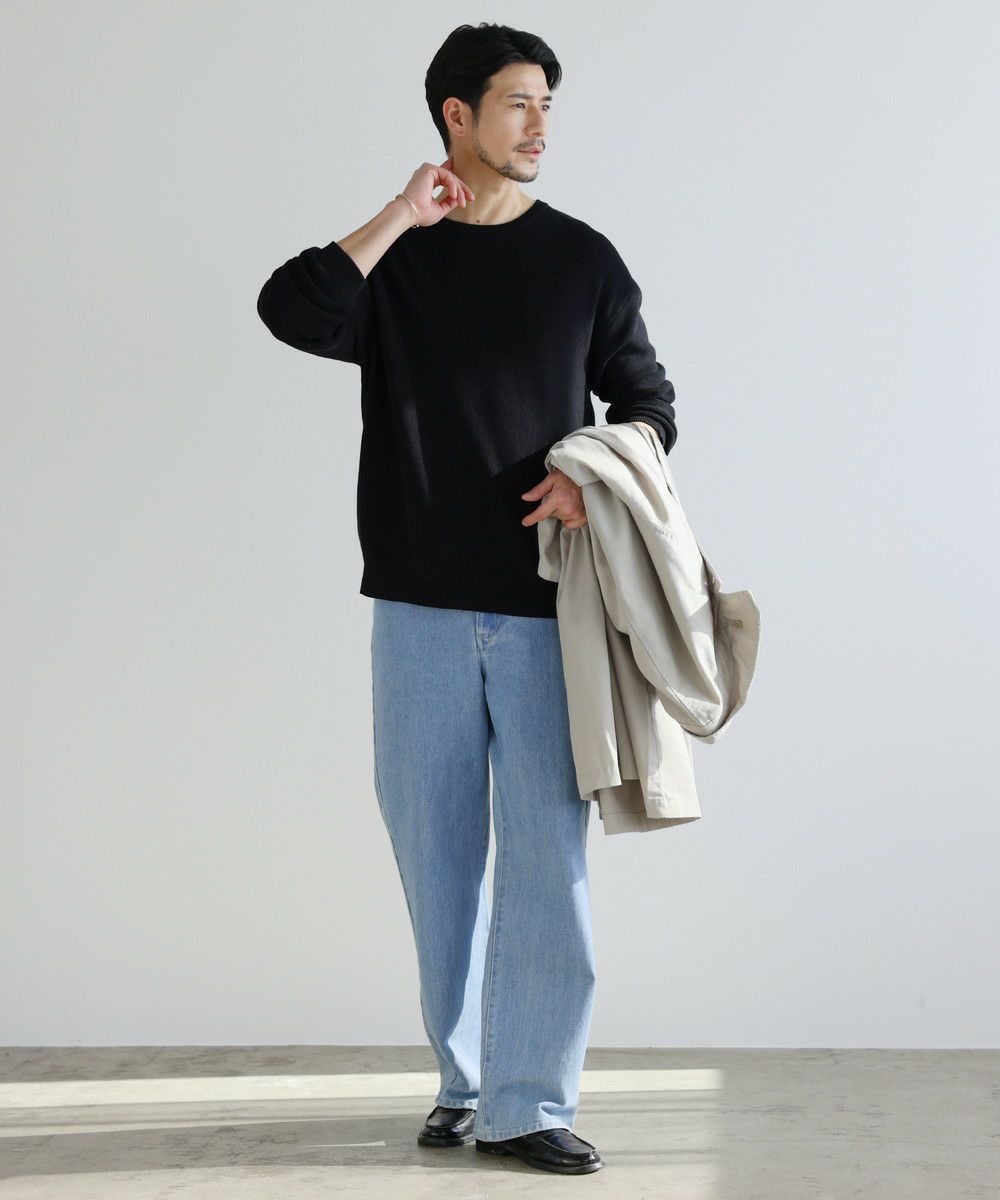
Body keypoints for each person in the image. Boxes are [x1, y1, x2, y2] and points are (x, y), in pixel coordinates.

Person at [256, 21, 678, 1177]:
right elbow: (290, 310)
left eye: (546, 105)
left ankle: (528, 1102)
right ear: (457, 115)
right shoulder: (398, 263)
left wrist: (594, 474)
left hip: (548, 614)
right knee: (436, 863)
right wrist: (402, 213)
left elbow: (649, 402)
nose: (539, 125)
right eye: (517, 103)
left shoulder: (582, 260)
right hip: (417, 611)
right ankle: (464, 1083)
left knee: (549, 863)